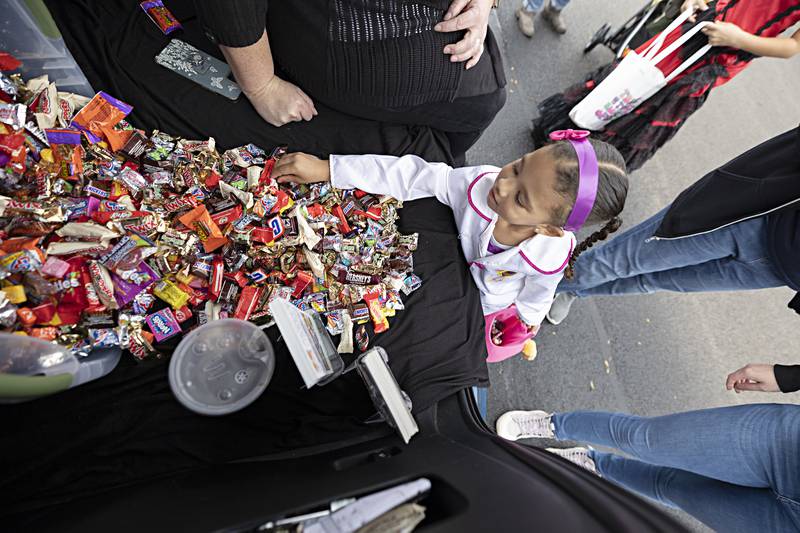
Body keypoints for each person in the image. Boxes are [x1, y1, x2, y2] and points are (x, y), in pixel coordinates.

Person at [272, 129, 628, 359]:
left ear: (550, 229)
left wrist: (526, 321)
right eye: (518, 167)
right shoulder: (477, 183)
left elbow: (538, 293)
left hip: (490, 305)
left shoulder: (550, 254)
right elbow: (409, 175)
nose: (502, 185)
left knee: (477, 353)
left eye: (521, 199)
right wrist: (328, 169)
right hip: (449, 274)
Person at [494, 359, 800, 532]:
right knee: (645, 439)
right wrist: (790, 377)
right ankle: (553, 424)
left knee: (670, 489)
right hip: (788, 447)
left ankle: (593, 464)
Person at [193, 0, 508, 164]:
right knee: (485, 100)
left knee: (485, 99)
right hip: (340, 30)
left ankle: (429, 165)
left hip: (409, 22)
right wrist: (261, 84)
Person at [546, 125, 800, 325]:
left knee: (651, 282)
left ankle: (574, 290)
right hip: (757, 214)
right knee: (621, 261)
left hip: (783, 271)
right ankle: (534, 291)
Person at [532, 0, 800, 172]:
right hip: (697, 22)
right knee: (625, 83)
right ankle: (560, 136)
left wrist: (739, 38)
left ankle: (576, 166)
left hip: (721, 53)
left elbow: (793, 46)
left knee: (651, 109)